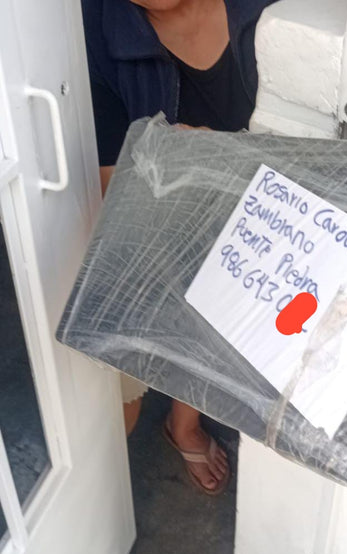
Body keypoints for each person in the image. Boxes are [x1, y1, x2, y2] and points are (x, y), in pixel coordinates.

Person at [82, 0, 278, 494]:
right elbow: (115, 193)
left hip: (273, 214)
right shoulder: (97, 29)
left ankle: (183, 418)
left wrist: (227, 163)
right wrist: (186, 171)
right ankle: (183, 421)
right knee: (171, 286)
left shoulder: (271, 12)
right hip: (172, 218)